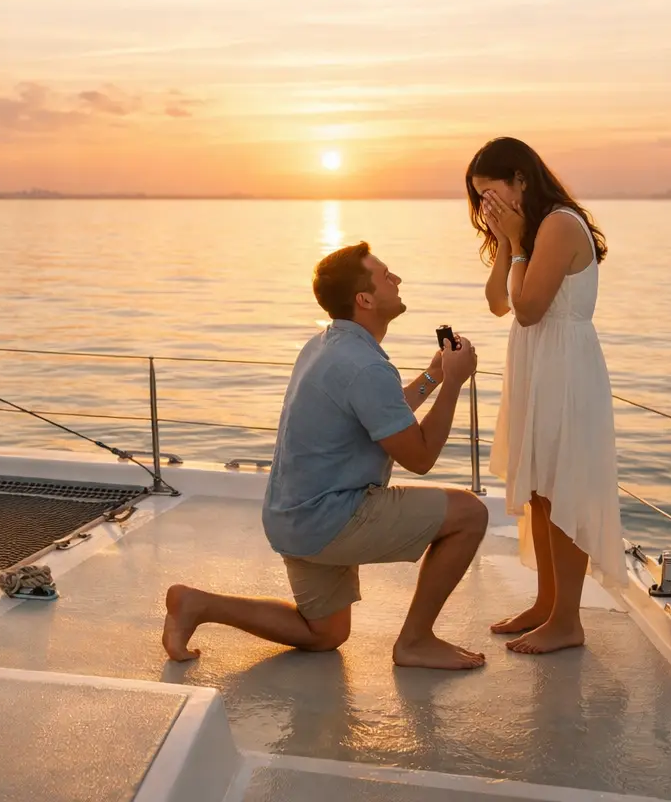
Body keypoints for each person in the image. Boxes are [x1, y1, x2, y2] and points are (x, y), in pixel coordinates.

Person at [162, 242, 492, 670]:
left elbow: (384, 413)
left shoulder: (326, 344)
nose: (397, 280)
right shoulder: (365, 366)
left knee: (326, 634)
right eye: (386, 275)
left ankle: (196, 604)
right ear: (365, 299)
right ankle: (415, 641)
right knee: (469, 513)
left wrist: (434, 375)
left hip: (293, 517)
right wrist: (455, 383)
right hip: (329, 518)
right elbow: (421, 457)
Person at [465, 136, 628, 654]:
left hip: (564, 365)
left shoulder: (558, 224)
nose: (486, 205)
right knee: (539, 488)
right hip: (536, 363)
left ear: (521, 179)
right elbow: (498, 303)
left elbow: (531, 309)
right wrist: (507, 242)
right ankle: (546, 604)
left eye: (491, 193)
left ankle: (567, 621)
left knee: (562, 488)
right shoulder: (527, 233)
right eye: (480, 198)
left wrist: (519, 243)